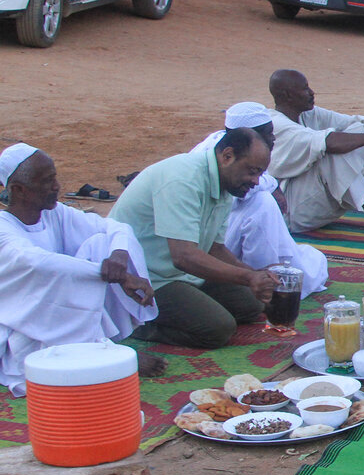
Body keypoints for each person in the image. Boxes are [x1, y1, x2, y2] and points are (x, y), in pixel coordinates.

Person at [0, 144, 160, 393]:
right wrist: (110, 273)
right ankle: (102, 353)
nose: (56, 186)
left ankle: (104, 346)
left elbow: (116, 227)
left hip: (60, 315)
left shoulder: (54, 213)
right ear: (19, 190)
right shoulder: (4, 230)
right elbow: (38, 263)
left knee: (103, 244)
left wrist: (117, 258)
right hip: (26, 327)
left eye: (55, 178)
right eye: (47, 181)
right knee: (61, 277)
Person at [110, 129, 279, 349]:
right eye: (252, 171)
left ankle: (188, 306)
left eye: (260, 174)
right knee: (218, 329)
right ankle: (135, 326)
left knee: (253, 305)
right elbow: (183, 256)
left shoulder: (226, 182)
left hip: (181, 273)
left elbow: (214, 248)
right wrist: (248, 277)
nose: (256, 181)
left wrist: (255, 275)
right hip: (147, 278)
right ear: (227, 156)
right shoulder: (183, 179)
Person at [190, 102, 328, 298]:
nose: (273, 139)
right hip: (206, 246)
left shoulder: (223, 145)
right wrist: (271, 188)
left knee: (310, 257)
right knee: (262, 204)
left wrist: (271, 185)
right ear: (248, 137)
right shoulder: (221, 156)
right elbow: (245, 192)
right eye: (268, 133)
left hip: (219, 239)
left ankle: (264, 276)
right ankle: (267, 282)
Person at [265, 69, 364, 236]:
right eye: (305, 89)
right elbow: (330, 142)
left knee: (360, 131)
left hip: (313, 202)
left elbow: (353, 121)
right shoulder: (277, 124)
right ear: (287, 95)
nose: (312, 93)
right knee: (334, 151)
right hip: (295, 213)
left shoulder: (308, 114)